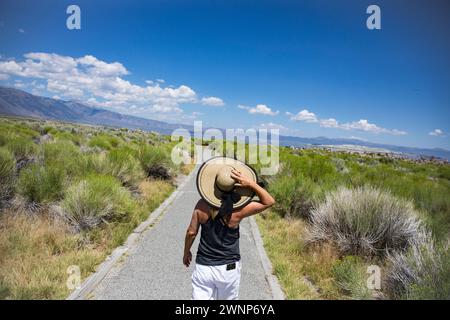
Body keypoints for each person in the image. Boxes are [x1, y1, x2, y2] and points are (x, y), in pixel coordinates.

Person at [183, 157, 275, 300]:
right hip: (228, 268)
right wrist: (251, 184)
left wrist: (186, 252)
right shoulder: (238, 211)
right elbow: (269, 201)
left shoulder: (201, 206)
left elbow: (191, 232)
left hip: (204, 267)